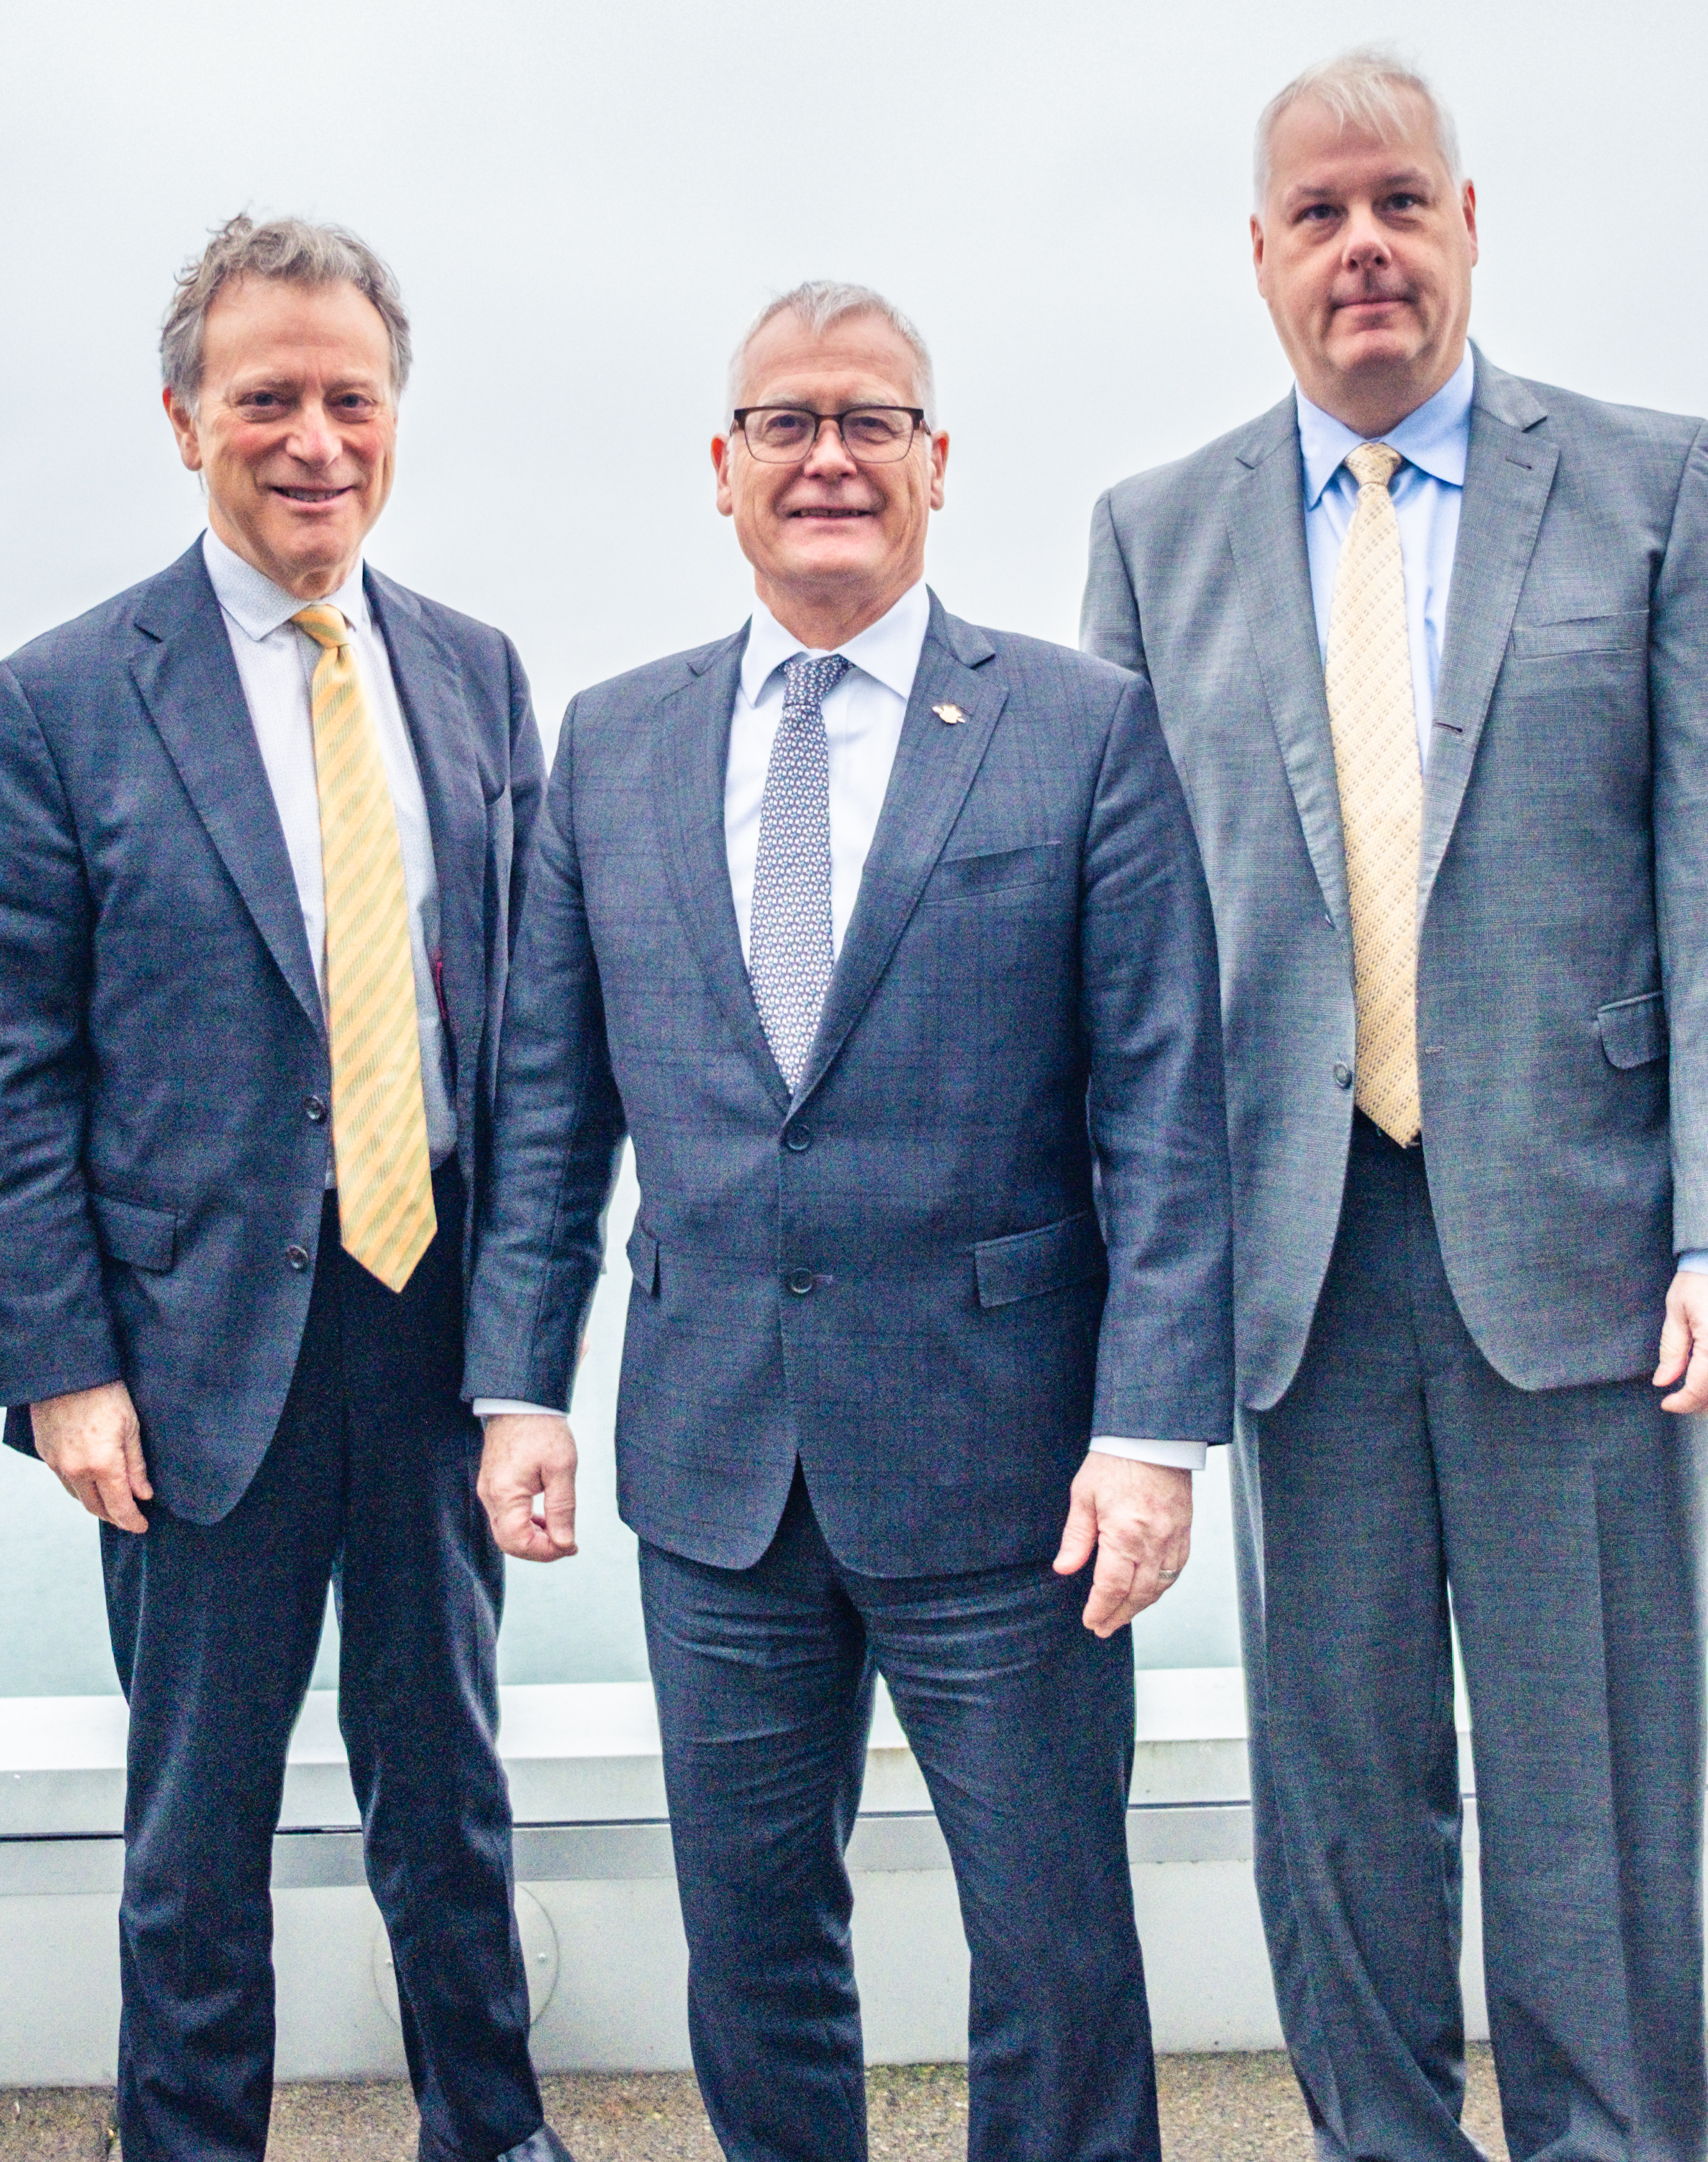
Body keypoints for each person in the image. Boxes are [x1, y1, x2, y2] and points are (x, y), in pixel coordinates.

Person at [1081, 50, 1708, 2162]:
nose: (1362, 245)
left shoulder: (1653, 481)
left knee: (1592, 1785)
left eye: (1397, 201)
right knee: (1337, 1789)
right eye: (1316, 213)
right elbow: (1130, 951)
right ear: (1259, 258)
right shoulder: (1154, 537)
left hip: (1587, 1259)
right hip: (1294, 1267)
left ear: (1468, 222)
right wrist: (1141, 1310)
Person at [464, 281, 1231, 2162]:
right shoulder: (615, 739)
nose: (827, 456)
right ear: (721, 471)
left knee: (1052, 1948)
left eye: (869, 420)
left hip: (1009, 1468)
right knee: (753, 1951)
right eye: (786, 423)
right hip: (714, 1462)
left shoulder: (1078, 729)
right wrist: (516, 1385)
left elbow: (1159, 1102)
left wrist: (1148, 1434)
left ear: (936, 464)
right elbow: (551, 1110)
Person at [0, 216, 570, 2162]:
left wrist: (524, 1358)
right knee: (196, 1826)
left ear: (394, 420)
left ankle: (496, 2134)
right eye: (267, 398)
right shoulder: (59, 698)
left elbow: (527, 1044)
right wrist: (62, 1367)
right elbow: (3, 1066)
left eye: (348, 397)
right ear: (183, 418)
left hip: (426, 1323)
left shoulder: (472, 675)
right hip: (190, 1356)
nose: (313, 437)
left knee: (446, 1796)